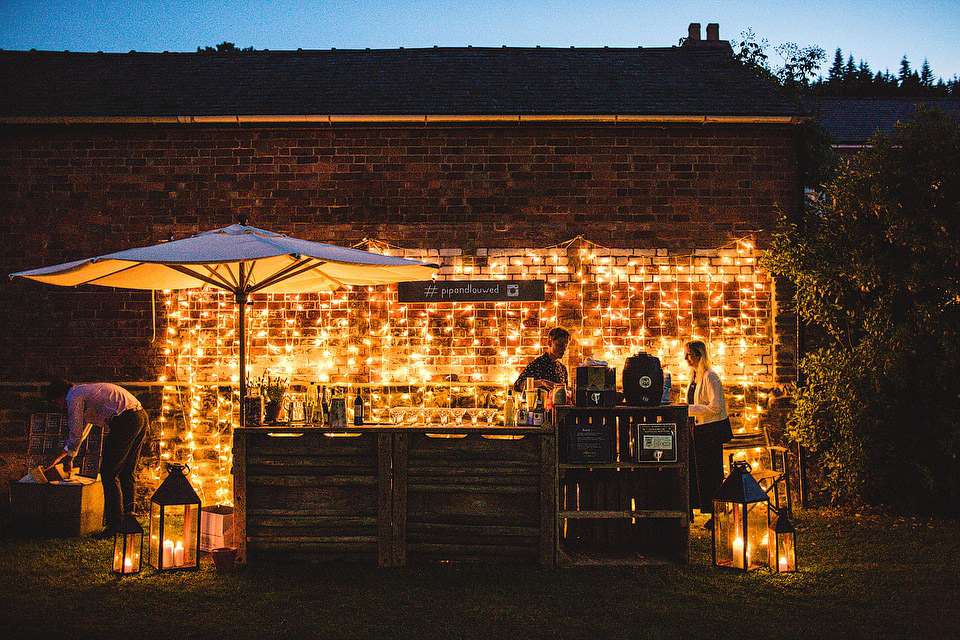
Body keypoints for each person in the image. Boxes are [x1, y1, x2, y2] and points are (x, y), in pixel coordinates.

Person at [46, 379, 149, 538]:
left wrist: (68, 457)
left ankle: (114, 525)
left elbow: (76, 429)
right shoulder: (84, 392)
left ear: (59, 397)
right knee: (127, 471)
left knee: (109, 473)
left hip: (125, 420)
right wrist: (64, 455)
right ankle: (130, 518)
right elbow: (82, 431)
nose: (60, 407)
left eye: (56, 403)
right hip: (140, 416)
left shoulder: (73, 397)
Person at [684, 340, 732, 530]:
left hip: (709, 432)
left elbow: (716, 406)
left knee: (710, 473)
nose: (686, 358)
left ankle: (715, 514)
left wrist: (690, 409)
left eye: (689, 354)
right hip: (697, 430)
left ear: (699, 355)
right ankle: (698, 510)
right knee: (696, 472)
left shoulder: (710, 377)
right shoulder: (694, 377)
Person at [513, 327, 570, 393]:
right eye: (560, 345)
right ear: (549, 343)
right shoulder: (538, 364)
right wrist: (542, 382)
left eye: (566, 346)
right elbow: (518, 385)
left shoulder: (562, 368)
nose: (563, 349)